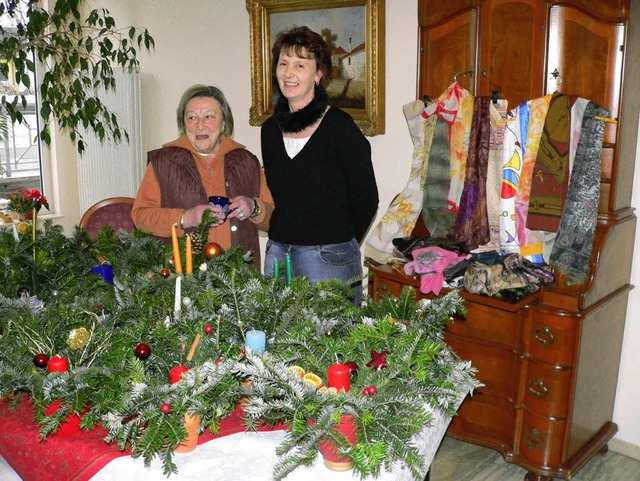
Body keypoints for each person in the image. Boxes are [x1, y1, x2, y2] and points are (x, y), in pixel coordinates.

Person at [261, 26, 379, 304]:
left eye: (300, 65)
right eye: (283, 63)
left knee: (332, 346)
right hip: (277, 254)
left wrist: (338, 245)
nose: (289, 73)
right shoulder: (269, 131)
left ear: (318, 74)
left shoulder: (340, 127)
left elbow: (366, 199)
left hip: (329, 259)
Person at [132, 84, 274, 267]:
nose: (200, 125)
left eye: (208, 117)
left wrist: (254, 207)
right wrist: (184, 218)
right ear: (183, 124)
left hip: (239, 281)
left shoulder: (247, 162)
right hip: (182, 279)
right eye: (191, 117)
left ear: (224, 123)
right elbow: (141, 217)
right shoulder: (163, 162)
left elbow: (275, 220)